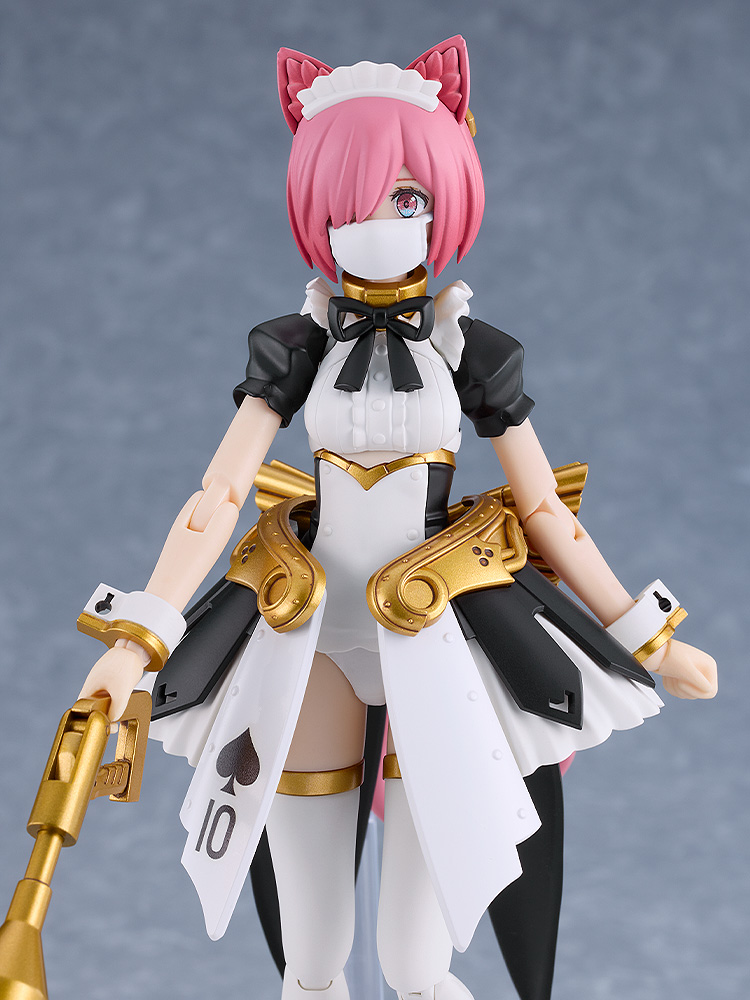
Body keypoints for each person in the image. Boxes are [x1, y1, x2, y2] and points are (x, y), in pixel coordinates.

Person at [78, 36, 717, 1000]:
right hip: (312, 630)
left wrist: (646, 635)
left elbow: (545, 507)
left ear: (445, 204)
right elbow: (216, 498)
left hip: (439, 633)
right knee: (311, 963)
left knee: (418, 965)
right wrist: (137, 637)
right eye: (354, 203)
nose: (381, 221)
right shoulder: (294, 347)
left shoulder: (472, 349)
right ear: (318, 215)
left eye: (407, 199)